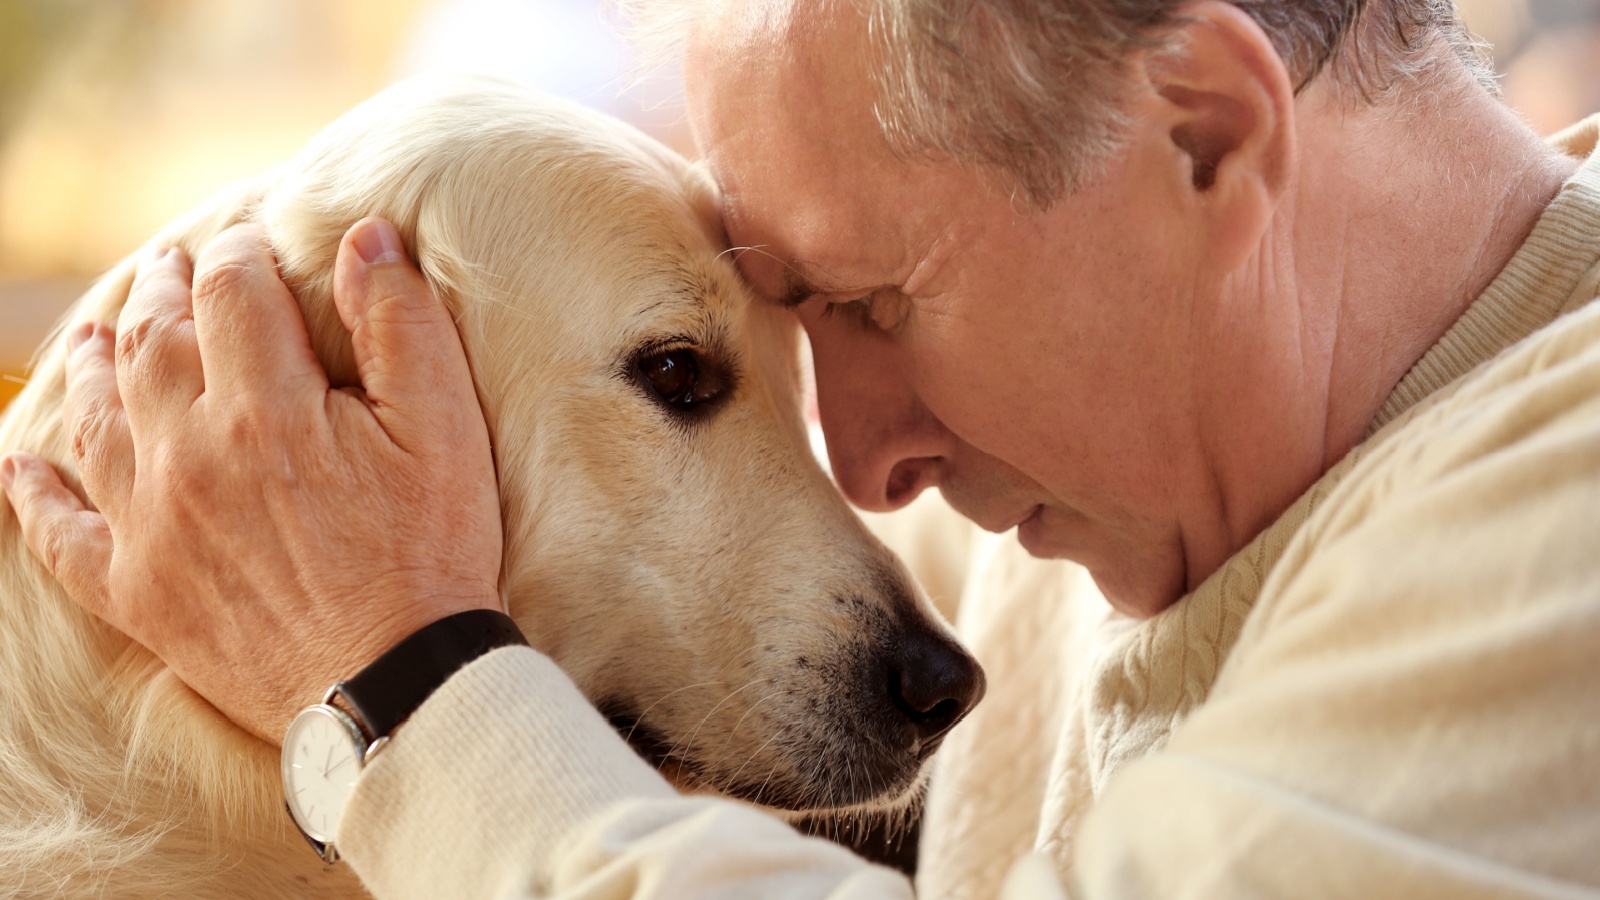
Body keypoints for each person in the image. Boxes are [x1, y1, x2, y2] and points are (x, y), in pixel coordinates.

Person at [3, 0, 1599, 895]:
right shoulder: (1113, 482)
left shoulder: (1564, 512)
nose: (872, 459)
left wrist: (394, 681)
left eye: (877, 302)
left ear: (1203, 133)